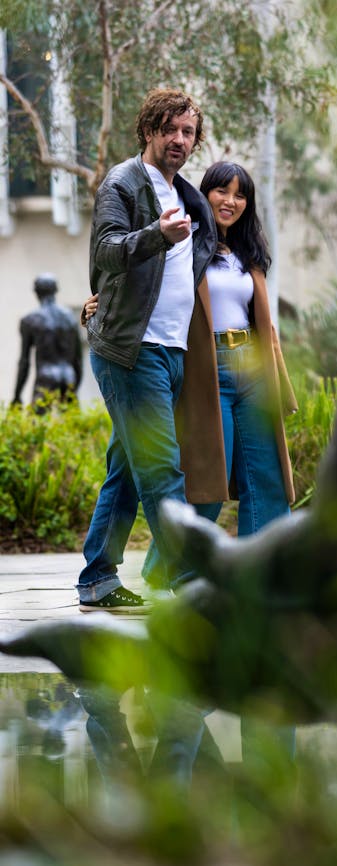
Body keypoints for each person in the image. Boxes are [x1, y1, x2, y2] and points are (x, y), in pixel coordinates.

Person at [83, 160, 297, 593]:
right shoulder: (189, 244)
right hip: (206, 367)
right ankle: (168, 567)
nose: (231, 202)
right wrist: (93, 308)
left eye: (240, 195)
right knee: (206, 482)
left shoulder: (249, 254)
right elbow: (141, 286)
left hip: (252, 368)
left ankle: (264, 575)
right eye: (222, 192)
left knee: (266, 477)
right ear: (205, 195)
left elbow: (264, 323)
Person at [77, 87, 222, 613]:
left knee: (125, 472)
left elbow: (201, 259)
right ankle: (188, 580)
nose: (179, 139)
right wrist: (157, 235)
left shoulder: (188, 194)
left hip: (172, 352)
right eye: (170, 129)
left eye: (188, 132)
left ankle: (97, 578)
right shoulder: (123, 182)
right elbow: (107, 251)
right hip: (131, 350)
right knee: (161, 467)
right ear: (149, 130)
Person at [12, 273, 82, 409]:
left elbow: (24, 362)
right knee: (73, 425)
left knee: (39, 424)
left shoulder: (30, 319)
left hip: (46, 378)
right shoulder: (70, 318)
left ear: (36, 292)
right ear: (56, 290)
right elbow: (78, 360)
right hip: (68, 376)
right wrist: (75, 386)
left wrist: (17, 395)